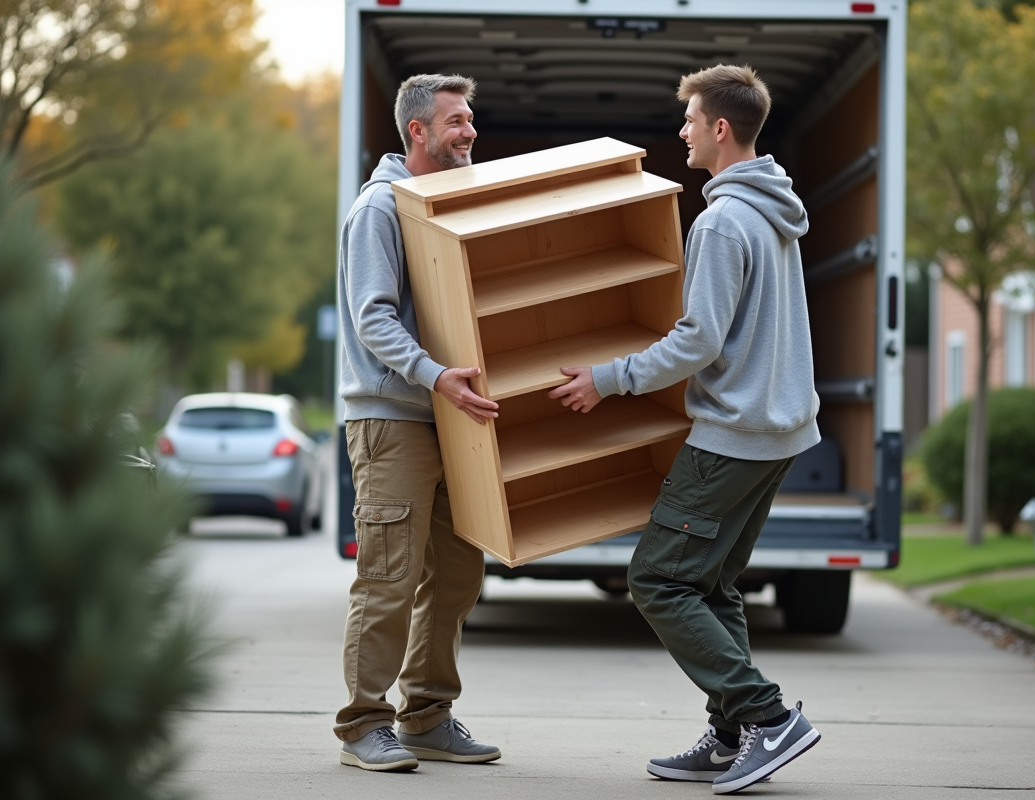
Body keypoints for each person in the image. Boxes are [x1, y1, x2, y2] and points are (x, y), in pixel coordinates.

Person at [549, 64, 821, 793]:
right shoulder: (774, 212)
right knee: (715, 581)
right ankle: (734, 735)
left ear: (720, 128)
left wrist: (607, 379)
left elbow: (700, 340)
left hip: (732, 434)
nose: (683, 132)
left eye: (690, 120)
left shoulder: (724, 219)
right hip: (780, 430)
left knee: (659, 579)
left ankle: (767, 718)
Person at [334, 73, 501, 772]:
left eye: (469, 120)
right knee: (389, 576)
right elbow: (374, 316)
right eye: (455, 121)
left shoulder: (449, 205)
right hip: (396, 417)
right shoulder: (381, 208)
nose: (468, 131)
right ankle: (363, 724)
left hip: (450, 415)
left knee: (458, 575)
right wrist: (437, 376)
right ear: (418, 133)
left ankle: (427, 715)